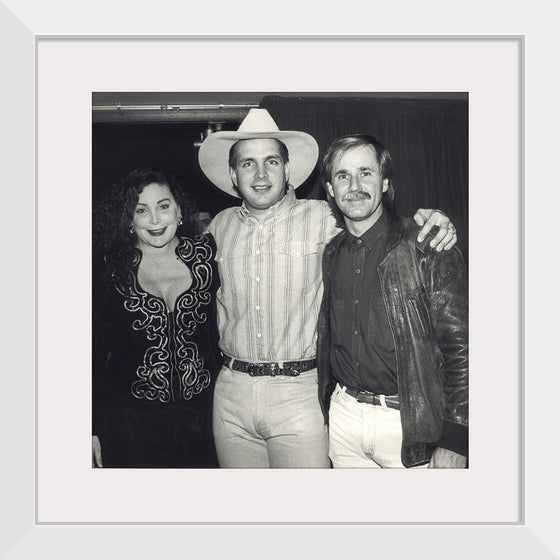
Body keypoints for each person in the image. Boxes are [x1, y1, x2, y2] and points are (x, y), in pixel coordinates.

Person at [198, 109, 458, 468]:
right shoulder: (217, 227)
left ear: (288, 170)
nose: (260, 174)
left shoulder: (326, 216)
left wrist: (433, 220)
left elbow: (379, 221)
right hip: (230, 392)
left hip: (299, 392)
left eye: (272, 161)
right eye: (247, 164)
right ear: (232, 174)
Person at [316, 134, 468, 468]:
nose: (354, 185)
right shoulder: (330, 253)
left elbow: (463, 348)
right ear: (330, 189)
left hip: (410, 423)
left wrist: (457, 439)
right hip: (343, 421)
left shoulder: (426, 245)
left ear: (384, 182)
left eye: (365, 173)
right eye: (343, 176)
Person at [92, 169, 220, 468]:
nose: (154, 220)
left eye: (163, 206)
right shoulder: (109, 269)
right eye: (141, 210)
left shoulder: (208, 257)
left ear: (179, 210)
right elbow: (91, 353)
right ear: (129, 220)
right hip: (129, 424)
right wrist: (90, 426)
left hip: (205, 421)